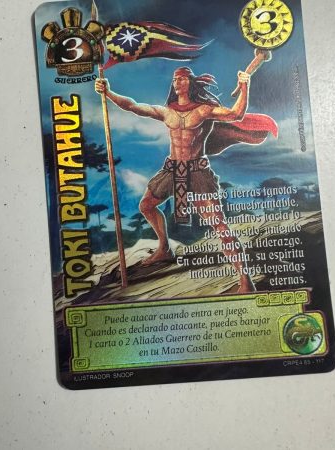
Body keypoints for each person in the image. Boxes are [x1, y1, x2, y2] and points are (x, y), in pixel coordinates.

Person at [95, 67, 277, 292]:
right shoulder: (167, 112)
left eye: (182, 78)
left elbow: (235, 114)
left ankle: (245, 279)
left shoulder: (203, 110)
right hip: (173, 169)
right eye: (175, 79)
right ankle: (164, 248)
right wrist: (109, 92)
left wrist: (244, 86)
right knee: (146, 205)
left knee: (219, 225)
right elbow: (133, 106)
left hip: (197, 172)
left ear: (190, 82)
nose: (177, 82)